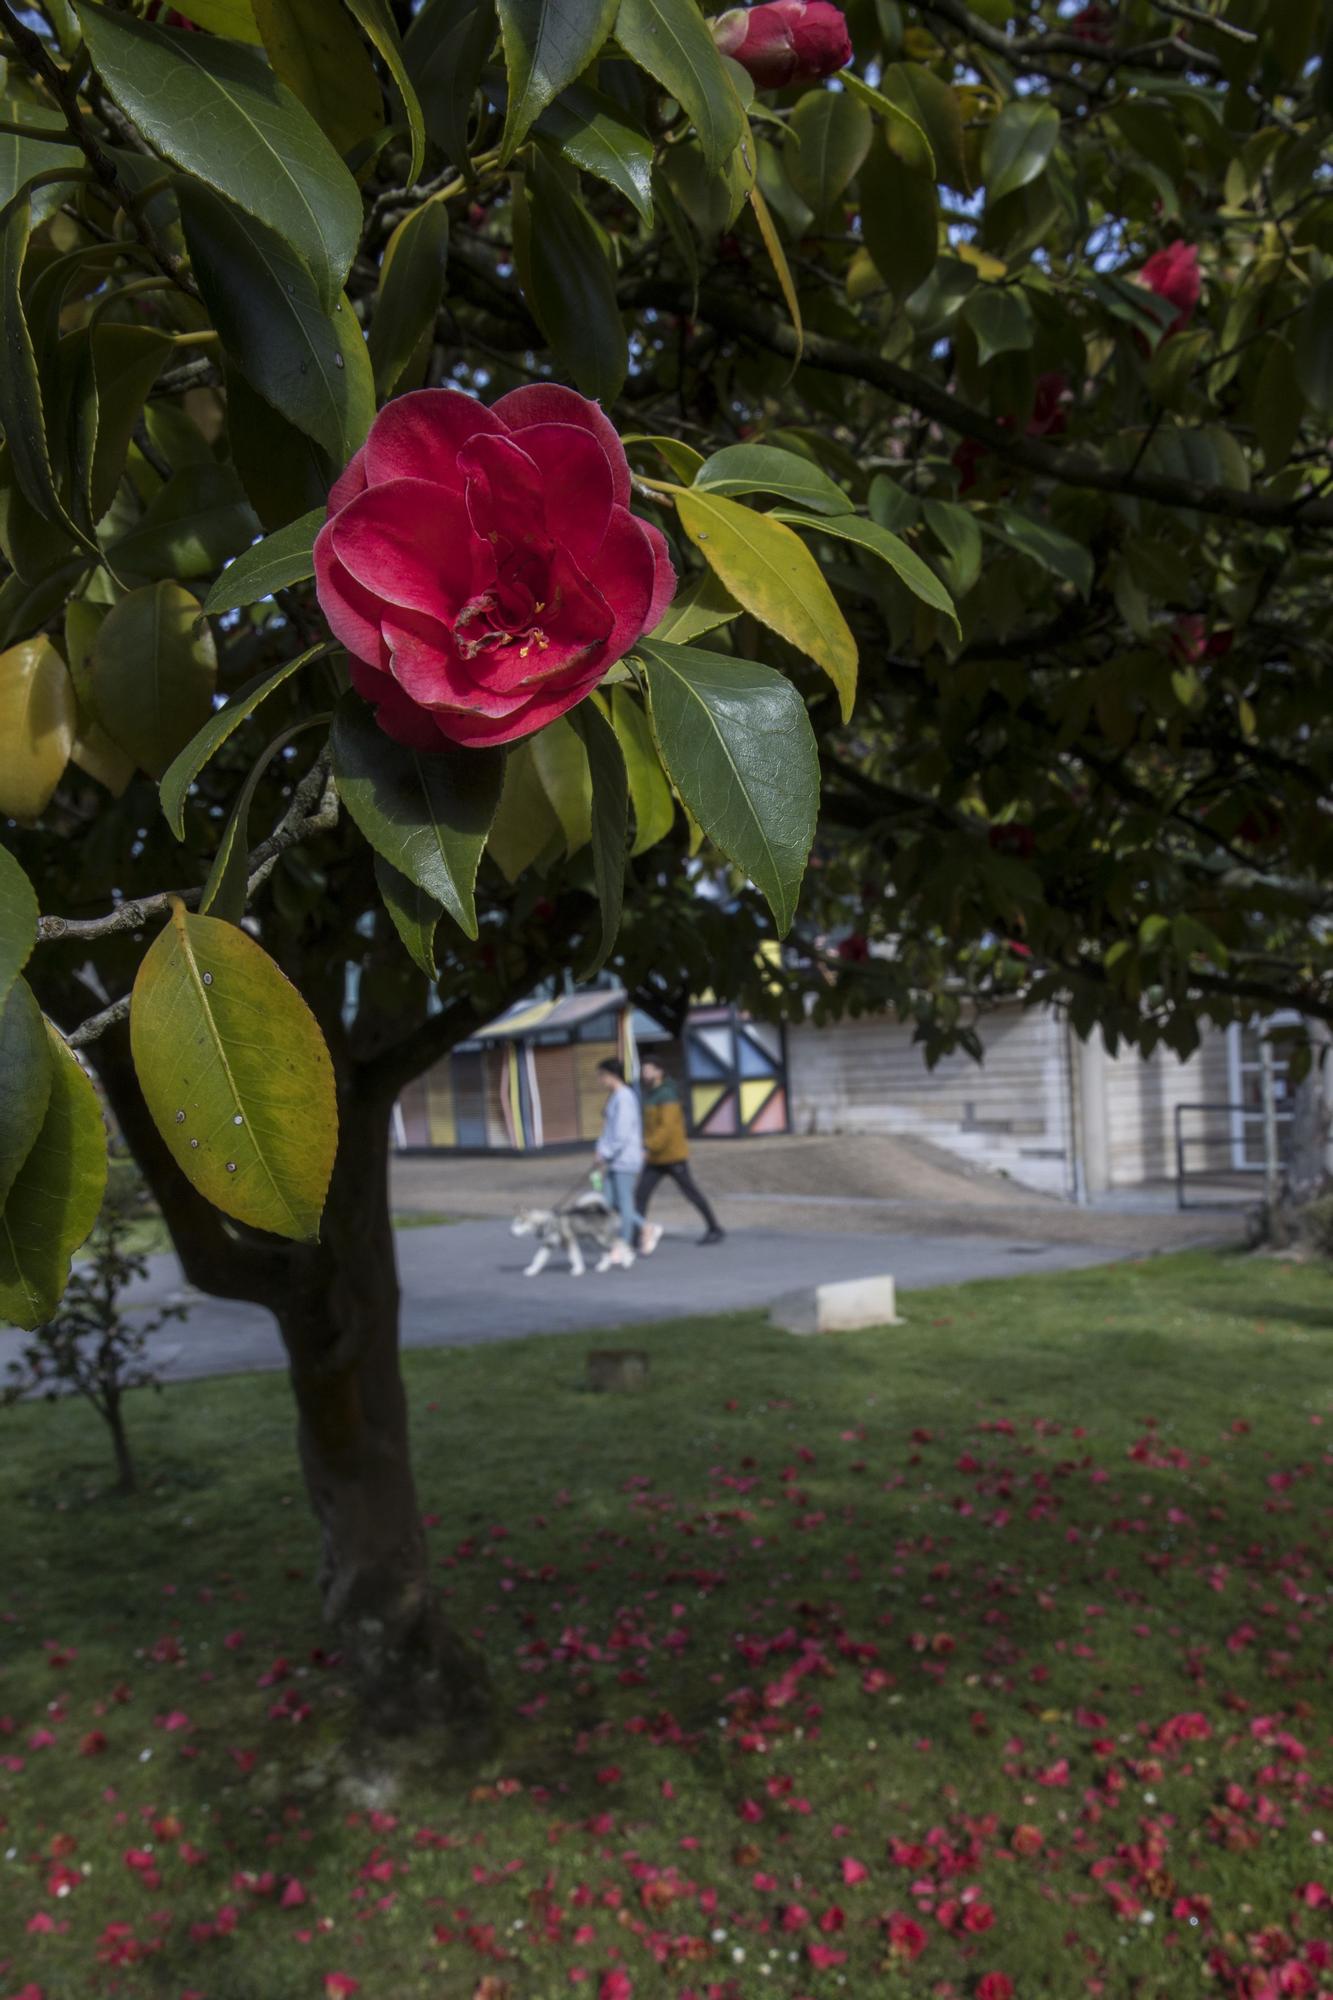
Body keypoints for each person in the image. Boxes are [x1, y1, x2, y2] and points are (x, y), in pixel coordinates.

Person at [635, 1055, 725, 1246]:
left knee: (691, 1193)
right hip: (656, 1158)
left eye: (648, 1070)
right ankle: (637, 1234)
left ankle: (714, 1228)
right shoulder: (651, 1093)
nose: (644, 1074)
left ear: (659, 1071)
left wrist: (647, 1145)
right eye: (643, 1070)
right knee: (641, 1195)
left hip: (672, 1156)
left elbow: (666, 1128)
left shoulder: (667, 1094)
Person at [594, 1058, 660, 1267]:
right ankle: (645, 1227)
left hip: (625, 1159)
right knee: (609, 1201)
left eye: (601, 1075)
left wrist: (605, 1152)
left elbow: (621, 1133)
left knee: (623, 1202)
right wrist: (601, 1151)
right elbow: (608, 1129)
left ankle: (623, 1245)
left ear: (610, 1075)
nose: (599, 1080)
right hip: (614, 1159)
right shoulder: (615, 1097)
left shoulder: (624, 1097)